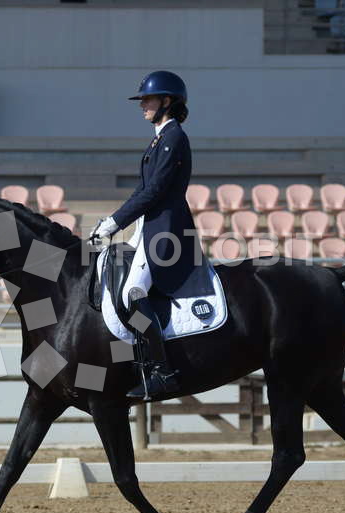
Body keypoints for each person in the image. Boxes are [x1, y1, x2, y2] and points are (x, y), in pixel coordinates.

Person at [93, 70, 202, 401]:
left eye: (148, 100)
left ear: (167, 101)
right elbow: (142, 190)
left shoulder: (174, 137)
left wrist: (114, 224)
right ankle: (135, 360)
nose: (142, 105)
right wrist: (112, 221)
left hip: (167, 230)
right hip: (148, 227)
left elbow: (154, 191)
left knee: (133, 292)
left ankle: (163, 372)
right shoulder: (159, 139)